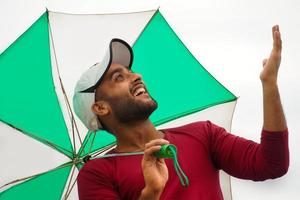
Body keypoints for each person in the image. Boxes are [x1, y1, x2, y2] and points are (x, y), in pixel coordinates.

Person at [73, 26, 289, 200]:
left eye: (130, 71)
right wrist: (151, 193)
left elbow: (272, 163)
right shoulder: (96, 174)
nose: (136, 76)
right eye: (118, 78)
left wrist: (269, 85)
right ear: (101, 107)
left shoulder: (203, 135)